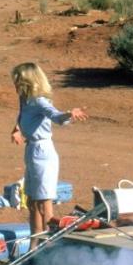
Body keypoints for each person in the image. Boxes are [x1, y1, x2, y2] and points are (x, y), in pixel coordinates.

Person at [11, 63, 87, 240]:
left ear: (28, 81)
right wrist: (16, 129)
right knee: (32, 203)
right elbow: (22, 116)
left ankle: (48, 246)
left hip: (43, 152)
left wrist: (69, 114)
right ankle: (34, 246)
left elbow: (56, 116)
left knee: (44, 205)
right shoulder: (25, 99)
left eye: (18, 80)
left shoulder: (39, 101)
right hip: (31, 150)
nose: (15, 83)